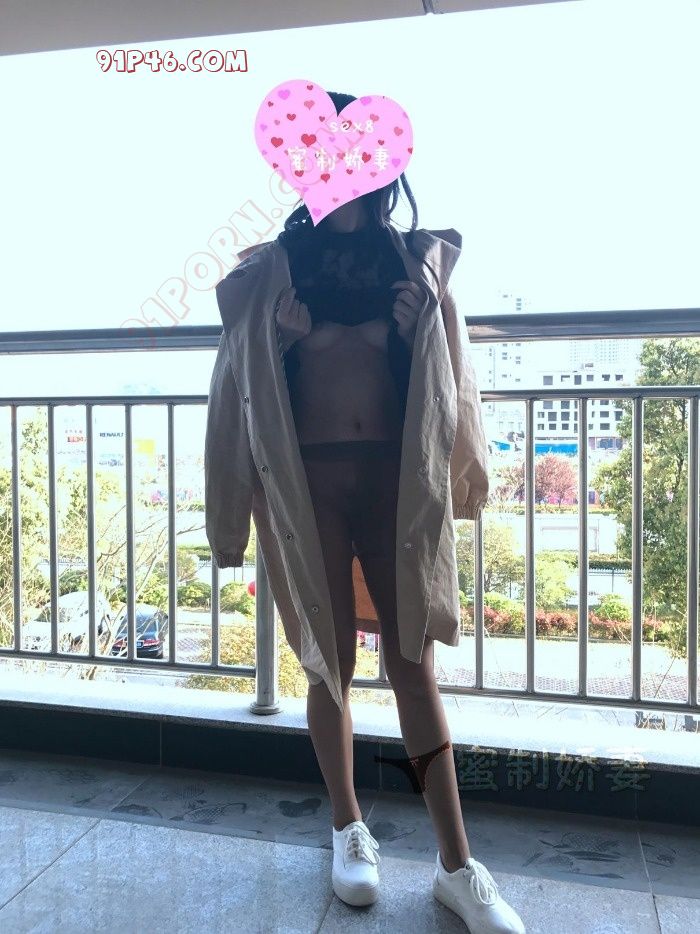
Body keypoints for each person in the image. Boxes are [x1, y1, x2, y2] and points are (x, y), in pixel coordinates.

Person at [265, 90, 525, 934]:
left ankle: (457, 864)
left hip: (391, 482)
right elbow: (247, 385)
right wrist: (279, 341)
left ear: (379, 165)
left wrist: (417, 336)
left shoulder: (411, 261)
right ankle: (348, 827)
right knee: (328, 662)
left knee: (412, 662)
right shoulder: (281, 265)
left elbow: (446, 388)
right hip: (309, 485)